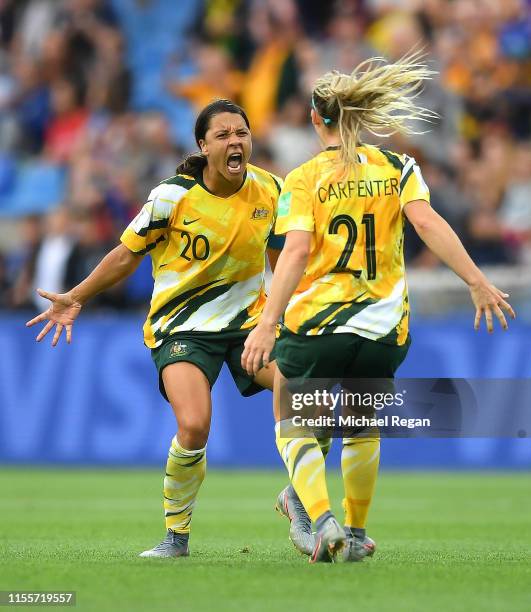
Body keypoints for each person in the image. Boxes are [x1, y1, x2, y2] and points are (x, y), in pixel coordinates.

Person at [241, 51, 516, 563]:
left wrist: (267, 322)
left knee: (295, 421)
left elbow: (296, 251)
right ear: (360, 117)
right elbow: (428, 224)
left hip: (318, 324)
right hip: (384, 325)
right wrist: (476, 281)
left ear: (314, 118)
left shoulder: (303, 178)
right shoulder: (398, 167)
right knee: (364, 426)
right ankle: (357, 531)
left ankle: (321, 523)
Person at [26, 99, 285, 558]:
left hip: (248, 323)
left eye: (241, 133)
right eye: (222, 135)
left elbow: (284, 259)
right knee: (194, 425)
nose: (234, 142)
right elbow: (127, 254)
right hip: (182, 326)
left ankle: (300, 499)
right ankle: (176, 536)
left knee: (303, 388)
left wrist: (287, 314)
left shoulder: (271, 190)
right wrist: (77, 296)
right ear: (203, 146)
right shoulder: (172, 196)